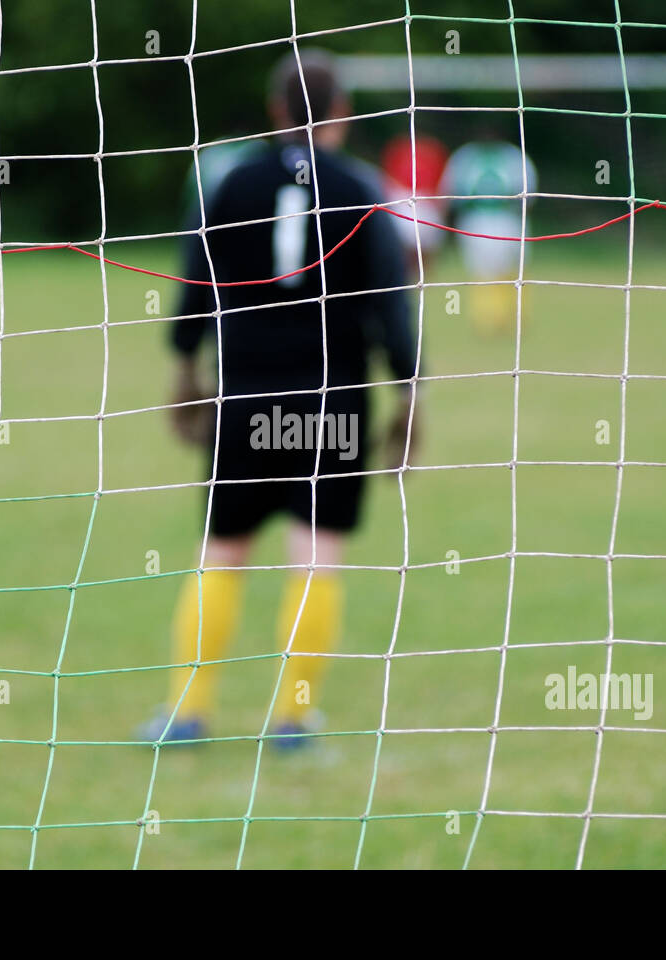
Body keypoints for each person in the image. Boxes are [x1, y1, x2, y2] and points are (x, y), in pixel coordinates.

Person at [141, 50, 420, 749]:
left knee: (222, 550)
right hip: (331, 403)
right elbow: (392, 303)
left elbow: (195, 281)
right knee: (316, 555)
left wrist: (184, 368)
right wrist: (410, 393)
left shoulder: (233, 182)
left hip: (244, 397)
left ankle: (187, 712)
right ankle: (294, 720)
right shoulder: (360, 190)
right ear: (341, 113)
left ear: (275, 111)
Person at [442, 132, 537, 335]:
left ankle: (511, 314)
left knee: (509, 268)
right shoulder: (466, 157)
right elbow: (451, 192)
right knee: (483, 270)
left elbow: (527, 193)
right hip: (476, 219)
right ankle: (488, 317)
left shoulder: (512, 156)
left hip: (506, 218)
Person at [380, 133, 450, 273]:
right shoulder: (398, 149)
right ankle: (405, 272)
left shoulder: (434, 149)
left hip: (427, 201)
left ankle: (422, 275)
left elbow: (442, 182)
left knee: (426, 248)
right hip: (403, 200)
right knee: (404, 246)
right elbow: (389, 179)